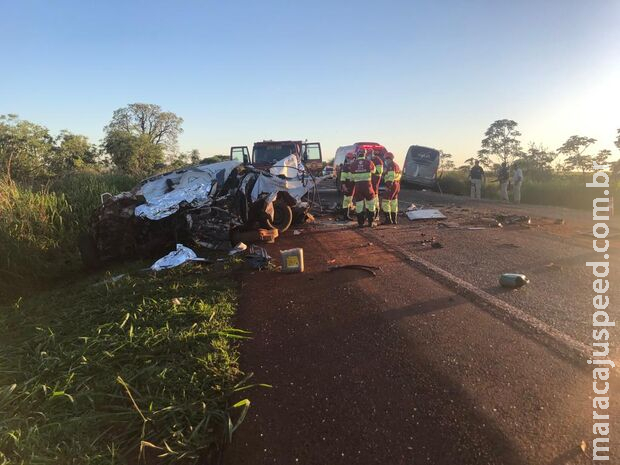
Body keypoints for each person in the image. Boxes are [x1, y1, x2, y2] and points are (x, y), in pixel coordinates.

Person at [349, 148, 377, 227]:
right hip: (367, 185)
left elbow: (351, 178)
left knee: (359, 205)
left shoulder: (353, 164)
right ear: (365, 154)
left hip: (358, 186)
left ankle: (360, 223)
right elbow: (374, 171)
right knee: (371, 203)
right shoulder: (369, 162)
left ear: (358, 154)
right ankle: (370, 222)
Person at [381, 152, 401, 224]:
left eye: (386, 159)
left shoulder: (391, 165)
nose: (385, 160)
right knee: (394, 202)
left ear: (388, 158)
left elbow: (391, 177)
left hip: (391, 185)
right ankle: (394, 220)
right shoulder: (396, 165)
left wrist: (388, 186)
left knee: (385, 202)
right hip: (396, 185)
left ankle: (388, 220)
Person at [339, 151, 356, 220]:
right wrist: (344, 186)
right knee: (347, 201)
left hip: (351, 185)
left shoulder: (352, 166)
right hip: (348, 185)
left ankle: (346, 215)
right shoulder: (346, 167)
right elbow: (343, 178)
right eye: (352, 158)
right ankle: (346, 216)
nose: (353, 160)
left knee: (348, 200)